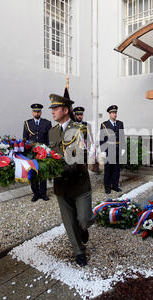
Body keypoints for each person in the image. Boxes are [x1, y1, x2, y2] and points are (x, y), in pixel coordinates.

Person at [48, 93, 95, 267]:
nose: (52, 111)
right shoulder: (52, 132)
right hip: (61, 186)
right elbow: (48, 156)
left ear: (66, 110)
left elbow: (81, 155)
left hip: (79, 184)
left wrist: (59, 166)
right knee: (69, 222)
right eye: (51, 108)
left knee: (83, 219)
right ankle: (79, 251)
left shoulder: (80, 129)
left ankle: (84, 228)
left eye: (55, 108)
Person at [23, 103, 52, 201]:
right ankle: (35, 193)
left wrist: (48, 151)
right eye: (35, 111)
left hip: (43, 151)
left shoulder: (47, 123)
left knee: (43, 173)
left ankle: (43, 193)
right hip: (32, 153)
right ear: (32, 112)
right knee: (33, 173)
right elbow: (25, 139)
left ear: (41, 112)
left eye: (38, 111)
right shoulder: (27, 123)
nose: (36, 113)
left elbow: (49, 139)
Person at [100, 105, 126, 194]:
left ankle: (115, 186)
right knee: (108, 170)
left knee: (116, 169)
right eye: (113, 113)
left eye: (116, 113)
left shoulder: (120, 123)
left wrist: (123, 148)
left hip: (118, 149)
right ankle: (107, 187)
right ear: (109, 114)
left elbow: (122, 137)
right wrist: (103, 151)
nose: (115, 114)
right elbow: (102, 139)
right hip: (108, 149)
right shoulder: (104, 125)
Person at [74, 106, 98, 174]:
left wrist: (92, 149)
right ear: (75, 115)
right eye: (78, 114)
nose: (79, 116)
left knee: (85, 169)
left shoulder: (87, 125)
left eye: (81, 114)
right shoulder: (72, 125)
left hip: (85, 151)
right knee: (76, 169)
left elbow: (90, 137)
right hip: (75, 151)